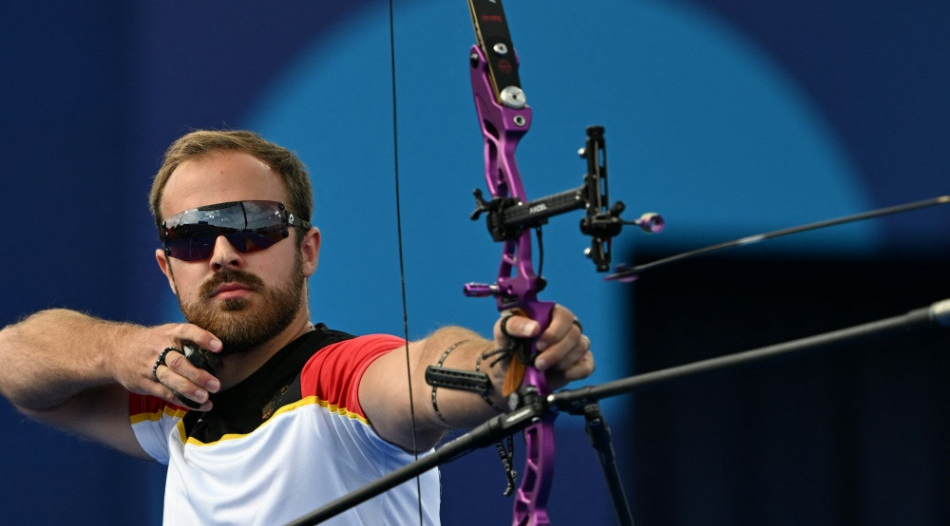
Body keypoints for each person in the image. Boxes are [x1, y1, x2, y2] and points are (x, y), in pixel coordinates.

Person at [0, 130, 592, 525]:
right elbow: (16, 362)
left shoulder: (340, 381)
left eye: (254, 226)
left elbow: (420, 370)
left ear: (306, 251)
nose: (224, 253)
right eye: (192, 237)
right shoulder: (175, 398)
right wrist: (119, 348)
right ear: (168, 267)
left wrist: (510, 364)